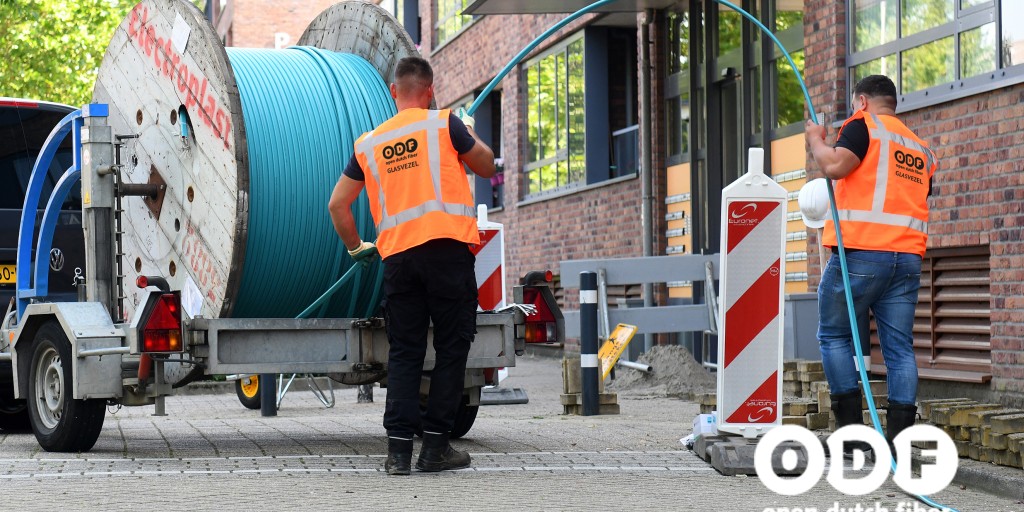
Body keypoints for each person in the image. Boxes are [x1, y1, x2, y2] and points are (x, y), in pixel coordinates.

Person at [328, 56, 496, 476]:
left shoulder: (369, 143)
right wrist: (468, 134)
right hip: (447, 255)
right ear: (431, 89)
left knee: (405, 353)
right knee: (452, 348)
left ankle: (398, 453)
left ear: (393, 92)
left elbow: (337, 205)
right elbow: (487, 165)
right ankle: (435, 448)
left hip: (399, 259)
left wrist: (356, 247)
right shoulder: (445, 124)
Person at [805, 75, 937, 455]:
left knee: (834, 336)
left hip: (862, 253)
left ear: (862, 101)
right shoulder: (919, 148)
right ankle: (897, 443)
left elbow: (835, 166)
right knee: (899, 349)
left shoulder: (862, 127)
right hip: (907, 260)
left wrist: (817, 138)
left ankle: (851, 440)